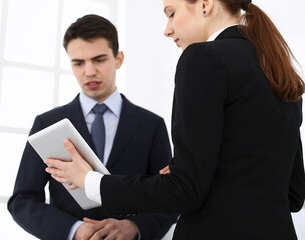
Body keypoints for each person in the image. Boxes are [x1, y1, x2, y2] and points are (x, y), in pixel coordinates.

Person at [45, 0, 305, 239]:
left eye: (171, 14)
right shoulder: (279, 69)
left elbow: (185, 191)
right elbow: (294, 195)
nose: (167, 30)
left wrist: (90, 181)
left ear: (205, 4)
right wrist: (195, 172)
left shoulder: (202, 58)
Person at [8, 14, 177, 240]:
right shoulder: (46, 124)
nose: (89, 72)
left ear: (118, 59)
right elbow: (23, 200)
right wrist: (74, 230)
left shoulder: (151, 125)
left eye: (99, 60)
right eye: (78, 63)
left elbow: (170, 196)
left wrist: (134, 227)